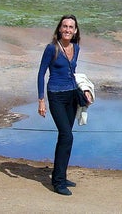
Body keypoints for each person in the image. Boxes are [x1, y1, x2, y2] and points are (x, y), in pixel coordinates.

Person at [36, 14, 90, 196]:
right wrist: (41, 100)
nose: (67, 30)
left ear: (75, 31)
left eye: (71, 27)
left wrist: (84, 91)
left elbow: (73, 73)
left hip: (71, 95)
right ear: (59, 29)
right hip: (56, 96)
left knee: (65, 136)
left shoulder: (76, 47)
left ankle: (60, 175)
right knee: (67, 136)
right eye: (64, 26)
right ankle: (58, 182)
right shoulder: (52, 49)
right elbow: (41, 73)